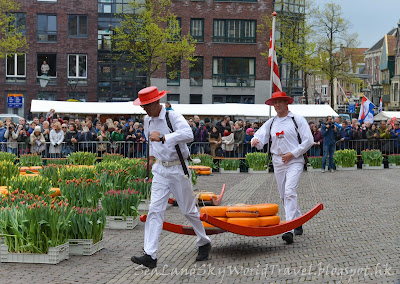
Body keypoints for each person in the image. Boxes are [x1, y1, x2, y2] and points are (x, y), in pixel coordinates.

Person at [130, 86, 211, 269]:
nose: (143, 109)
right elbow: (150, 139)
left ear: (156, 102)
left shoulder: (171, 116)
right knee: (154, 209)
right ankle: (150, 254)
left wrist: (165, 137)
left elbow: (188, 135)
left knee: (188, 210)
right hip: (160, 169)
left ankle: (204, 241)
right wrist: (150, 159)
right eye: (142, 105)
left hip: (177, 168)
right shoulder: (147, 120)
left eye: (146, 105)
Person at [251, 91, 313, 244]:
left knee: (290, 191)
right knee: (284, 195)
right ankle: (297, 220)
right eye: (275, 102)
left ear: (287, 103)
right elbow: (260, 137)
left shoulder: (297, 120)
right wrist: (255, 141)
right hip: (278, 161)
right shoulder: (271, 123)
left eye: (280, 102)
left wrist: (293, 153)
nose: (277, 105)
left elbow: (309, 140)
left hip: (294, 160)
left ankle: (288, 229)